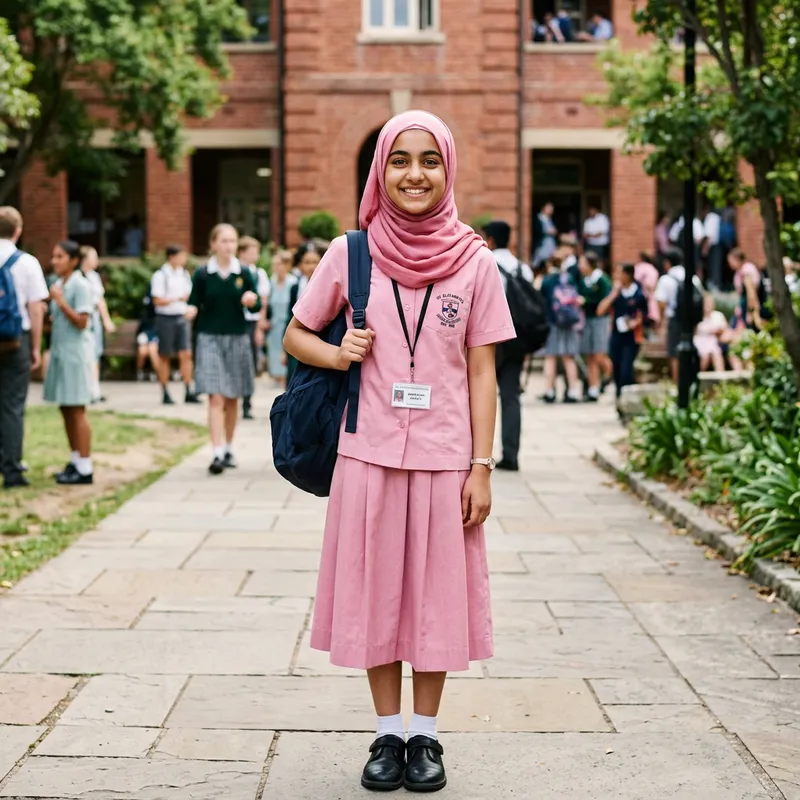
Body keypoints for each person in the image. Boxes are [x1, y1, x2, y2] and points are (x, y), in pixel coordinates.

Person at [283, 110, 514, 794]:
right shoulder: (351, 252)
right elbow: (296, 335)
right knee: (377, 596)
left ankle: (428, 739)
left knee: (436, 600)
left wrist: (482, 466)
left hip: (446, 461)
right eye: (400, 160)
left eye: (430, 160)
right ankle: (388, 732)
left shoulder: (476, 262)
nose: (415, 174)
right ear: (380, 170)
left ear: (448, 170)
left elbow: (482, 372)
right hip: (368, 453)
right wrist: (337, 350)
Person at [186, 224, 260, 475]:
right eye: (224, 241)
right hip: (209, 339)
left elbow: (255, 305)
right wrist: (191, 310)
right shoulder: (203, 274)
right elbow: (194, 302)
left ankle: (229, 447)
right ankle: (216, 452)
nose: (229, 246)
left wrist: (251, 301)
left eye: (233, 241)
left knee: (232, 397)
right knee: (215, 396)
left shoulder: (245, 273)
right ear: (214, 243)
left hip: (237, 338)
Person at [0, 206, 49, 489]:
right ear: (18, 230)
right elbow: (36, 308)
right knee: (12, 405)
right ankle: (12, 468)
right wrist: (36, 347)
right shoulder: (27, 262)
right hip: (16, 338)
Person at [482, 220, 533, 471]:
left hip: (489, 340)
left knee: (481, 392)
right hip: (516, 342)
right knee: (511, 397)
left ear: (489, 239)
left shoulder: (484, 263)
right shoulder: (522, 269)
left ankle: (480, 456)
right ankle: (511, 454)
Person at [43, 241, 95, 485]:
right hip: (61, 352)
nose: (55, 261)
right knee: (65, 407)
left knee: (77, 409)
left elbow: (82, 321)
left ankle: (85, 467)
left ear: (74, 260)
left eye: (60, 256)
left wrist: (61, 303)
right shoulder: (60, 285)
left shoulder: (80, 285)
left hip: (76, 354)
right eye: (53, 256)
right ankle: (74, 460)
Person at [150, 245, 199, 405]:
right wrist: (176, 298)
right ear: (172, 257)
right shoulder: (160, 275)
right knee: (164, 355)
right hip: (165, 318)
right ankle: (164, 390)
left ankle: (188, 389)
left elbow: (189, 296)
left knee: (186, 354)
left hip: (182, 317)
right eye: (181, 256)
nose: (184, 259)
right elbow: (157, 300)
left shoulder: (184, 274)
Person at [654, 247, 704, 382]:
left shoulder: (665, 279)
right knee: (690, 350)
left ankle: (678, 384)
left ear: (667, 262)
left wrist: (661, 322)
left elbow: (661, 304)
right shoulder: (692, 277)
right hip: (691, 319)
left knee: (674, 353)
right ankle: (690, 381)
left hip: (675, 319)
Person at [598, 263, 648, 398]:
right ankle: (619, 398)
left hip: (632, 337)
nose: (617, 276)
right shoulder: (615, 292)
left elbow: (643, 315)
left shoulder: (639, 294)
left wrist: (634, 322)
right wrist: (614, 293)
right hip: (616, 336)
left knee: (626, 369)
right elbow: (600, 310)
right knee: (617, 369)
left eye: (619, 273)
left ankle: (627, 398)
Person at [237, 236, 270, 419]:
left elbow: (263, 303)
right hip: (235, 322)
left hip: (251, 322)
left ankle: (246, 402)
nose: (256, 255)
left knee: (249, 363)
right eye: (252, 251)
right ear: (242, 252)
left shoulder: (259, 274)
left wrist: (259, 328)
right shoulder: (234, 272)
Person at [540, 260, 582, 403]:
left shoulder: (547, 280)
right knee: (568, 357)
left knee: (550, 357)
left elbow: (541, 297)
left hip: (552, 321)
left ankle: (550, 391)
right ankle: (573, 391)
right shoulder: (568, 278)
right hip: (568, 321)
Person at [80, 246, 115, 403]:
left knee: (95, 353)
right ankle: (84, 389)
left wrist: (106, 320)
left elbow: (100, 300)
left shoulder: (94, 277)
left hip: (93, 317)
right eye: (93, 257)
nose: (97, 260)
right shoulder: (77, 277)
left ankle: (95, 390)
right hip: (82, 317)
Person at [285, 242, 324, 384]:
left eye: (315, 262)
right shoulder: (295, 287)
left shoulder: (329, 286)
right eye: (307, 262)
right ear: (300, 265)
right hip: (298, 337)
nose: (311, 266)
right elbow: (289, 318)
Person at [577, 251, 612, 401]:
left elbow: (606, 300)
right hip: (587, 319)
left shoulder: (601, 280)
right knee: (590, 355)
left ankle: (609, 375)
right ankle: (593, 387)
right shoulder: (584, 280)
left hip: (600, 320)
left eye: (583, 263)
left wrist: (586, 301)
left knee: (599, 353)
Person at [266, 249, 296, 387]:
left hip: (288, 322)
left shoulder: (292, 282)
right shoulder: (271, 282)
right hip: (274, 323)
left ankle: (287, 380)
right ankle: (277, 378)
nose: (278, 267)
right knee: (274, 351)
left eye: (280, 264)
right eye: (275, 264)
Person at [729, 248, 766, 332]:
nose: (729, 264)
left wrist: (751, 312)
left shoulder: (746, 271)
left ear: (737, 259)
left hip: (751, 308)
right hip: (744, 307)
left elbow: (751, 294)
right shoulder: (741, 271)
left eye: (730, 261)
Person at [694, 294, 728, 372]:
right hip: (699, 343)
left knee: (715, 353)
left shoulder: (718, 315)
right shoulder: (698, 316)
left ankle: (721, 378)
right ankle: (699, 376)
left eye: (710, 303)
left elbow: (724, 329)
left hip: (715, 342)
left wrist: (713, 331)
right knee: (705, 354)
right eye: (706, 303)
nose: (708, 305)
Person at [135, 287, 160, 383]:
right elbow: (140, 328)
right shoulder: (146, 312)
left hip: (156, 335)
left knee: (152, 350)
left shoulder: (159, 313)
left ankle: (158, 374)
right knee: (142, 351)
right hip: (145, 334)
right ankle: (139, 372)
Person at [702, 206, 723, 290]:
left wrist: (705, 249)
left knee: (714, 266)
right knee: (717, 265)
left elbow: (709, 235)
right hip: (719, 245)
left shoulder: (710, 218)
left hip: (713, 246)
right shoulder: (717, 217)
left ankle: (714, 285)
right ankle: (716, 283)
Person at [532, 202, 557, 268]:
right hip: (541, 243)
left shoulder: (550, 219)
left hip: (550, 244)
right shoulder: (539, 218)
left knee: (549, 261)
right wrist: (547, 232)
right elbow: (536, 231)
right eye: (549, 208)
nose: (551, 210)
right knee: (539, 261)